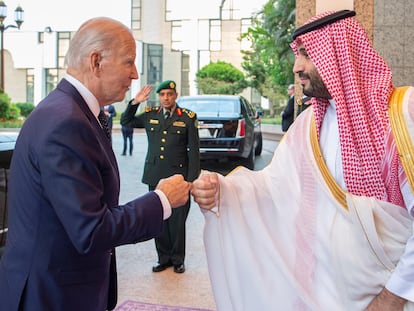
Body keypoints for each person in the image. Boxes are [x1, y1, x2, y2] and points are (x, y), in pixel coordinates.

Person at [191, 10, 414, 310]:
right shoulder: (308, 125)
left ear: (338, 52)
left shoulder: (402, 114)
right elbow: (273, 189)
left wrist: (393, 296)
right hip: (322, 293)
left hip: (393, 297)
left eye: (306, 53)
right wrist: (222, 191)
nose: (297, 67)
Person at [0, 17, 191, 311]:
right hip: (51, 296)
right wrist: (162, 199)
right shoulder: (65, 121)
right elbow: (91, 229)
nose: (135, 74)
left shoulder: (73, 112)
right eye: (129, 62)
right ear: (96, 61)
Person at [121, 80, 200, 274]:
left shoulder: (188, 118)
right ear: (159, 96)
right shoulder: (151, 114)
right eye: (163, 94)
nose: (166, 98)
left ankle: (178, 259)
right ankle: (163, 258)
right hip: (155, 176)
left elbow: (194, 152)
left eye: (170, 94)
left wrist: (191, 180)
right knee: (160, 219)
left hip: (179, 178)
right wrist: (135, 102)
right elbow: (126, 121)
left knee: (178, 221)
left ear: (176, 95)